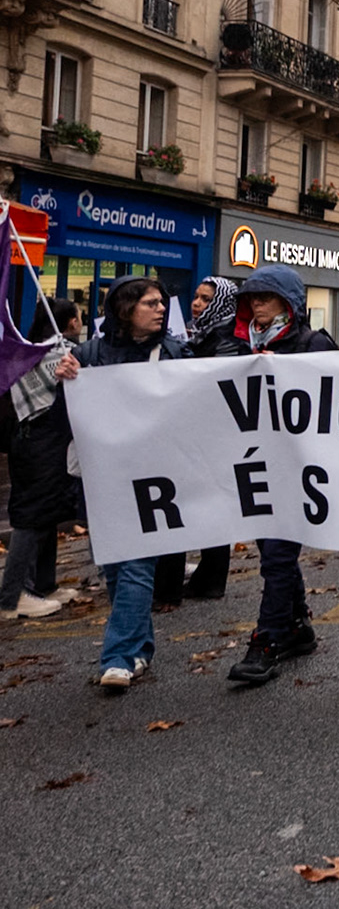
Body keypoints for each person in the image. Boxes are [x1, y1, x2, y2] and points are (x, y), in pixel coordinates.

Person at [48, 278, 190, 690]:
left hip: (154, 477)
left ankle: (118, 657)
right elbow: (63, 424)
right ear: (125, 309)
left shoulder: (177, 354)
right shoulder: (88, 355)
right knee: (114, 564)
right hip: (102, 478)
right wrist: (65, 385)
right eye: (150, 303)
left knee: (137, 564)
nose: (161, 309)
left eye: (162, 303)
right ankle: (141, 648)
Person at [225, 265, 337, 687]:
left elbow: (338, 398)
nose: (257, 305)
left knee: (276, 555)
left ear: (288, 303)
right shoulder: (233, 345)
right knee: (272, 551)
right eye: (251, 298)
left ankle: (266, 642)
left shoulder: (311, 344)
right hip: (253, 464)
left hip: (296, 466)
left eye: (266, 298)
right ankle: (296, 627)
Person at [153, 276, 245, 606]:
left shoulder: (224, 339)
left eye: (206, 299)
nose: (197, 303)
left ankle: (209, 579)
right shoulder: (206, 333)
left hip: (213, 437)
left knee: (209, 506)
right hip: (205, 435)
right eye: (196, 296)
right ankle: (208, 578)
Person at [1, 299, 82, 621]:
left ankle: (43, 585)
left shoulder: (30, 351)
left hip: (30, 443)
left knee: (48, 513)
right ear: (71, 322)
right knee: (33, 517)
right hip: (43, 446)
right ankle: (12, 597)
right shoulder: (60, 353)